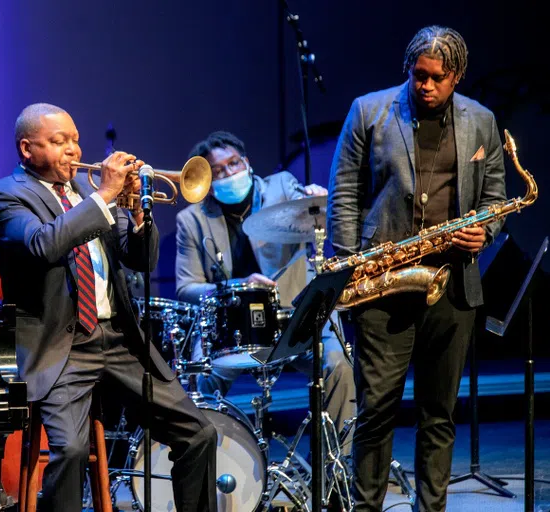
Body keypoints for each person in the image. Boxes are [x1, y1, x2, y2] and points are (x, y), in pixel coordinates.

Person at [0, 103, 217, 512]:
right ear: (27, 149)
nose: (73, 150)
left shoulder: (89, 194)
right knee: (70, 452)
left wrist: (139, 215)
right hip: (61, 346)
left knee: (199, 433)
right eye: (59, 142)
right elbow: (44, 244)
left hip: (120, 339)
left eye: (74, 139)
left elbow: (138, 258)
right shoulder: (4, 196)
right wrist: (107, 195)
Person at [328, 26, 506, 512]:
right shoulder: (369, 110)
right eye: (418, 75)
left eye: (437, 78)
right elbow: (344, 193)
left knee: (439, 414)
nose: (425, 86)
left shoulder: (482, 121)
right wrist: (347, 270)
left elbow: (494, 197)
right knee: (375, 413)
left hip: (450, 286)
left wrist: (483, 233)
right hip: (381, 285)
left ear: (458, 77)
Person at [175, 131, 355, 453]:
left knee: (338, 364)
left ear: (247, 162)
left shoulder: (282, 187)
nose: (230, 173)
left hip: (296, 314)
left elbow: (320, 225)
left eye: (234, 164)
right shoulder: (192, 220)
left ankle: (336, 467)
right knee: (198, 379)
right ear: (207, 178)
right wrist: (236, 286)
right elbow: (186, 287)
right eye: (218, 171)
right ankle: (204, 466)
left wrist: (318, 203)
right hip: (233, 327)